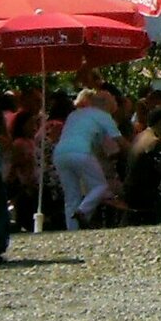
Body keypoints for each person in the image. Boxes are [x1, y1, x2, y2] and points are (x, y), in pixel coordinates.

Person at [54, 90, 123, 231]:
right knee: (100, 186)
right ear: (106, 104)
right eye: (113, 103)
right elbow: (120, 143)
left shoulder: (74, 114)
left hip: (60, 154)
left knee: (71, 195)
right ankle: (83, 211)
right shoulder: (104, 116)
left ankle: (72, 230)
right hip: (81, 152)